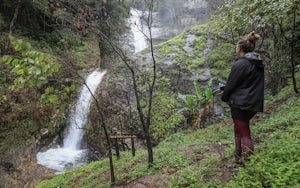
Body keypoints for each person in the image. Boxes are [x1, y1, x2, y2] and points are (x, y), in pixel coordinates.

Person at [221, 31, 264, 164]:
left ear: (239, 48)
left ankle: (248, 161)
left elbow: (231, 84)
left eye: (236, 47)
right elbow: (247, 83)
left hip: (240, 103)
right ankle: (238, 153)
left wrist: (224, 96)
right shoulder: (257, 63)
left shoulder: (241, 63)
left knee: (244, 130)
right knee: (238, 126)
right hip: (253, 101)